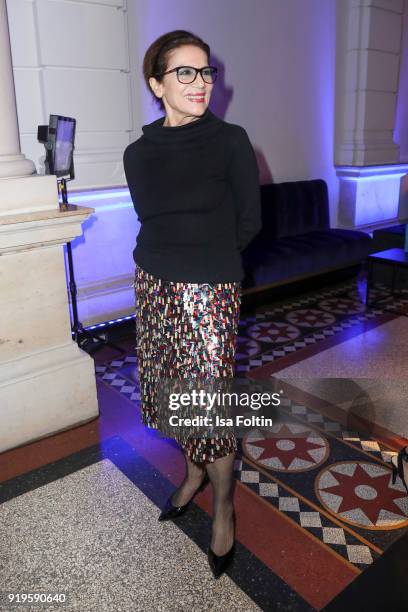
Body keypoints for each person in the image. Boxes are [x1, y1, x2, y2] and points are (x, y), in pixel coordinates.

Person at [123, 29, 261, 579]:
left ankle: (223, 504)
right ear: (157, 84)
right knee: (171, 388)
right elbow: (151, 221)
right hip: (153, 283)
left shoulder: (231, 140)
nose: (200, 83)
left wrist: (210, 271)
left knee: (208, 403)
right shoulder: (138, 153)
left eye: (206, 72)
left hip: (209, 289)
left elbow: (249, 220)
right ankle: (193, 474)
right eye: (185, 72)